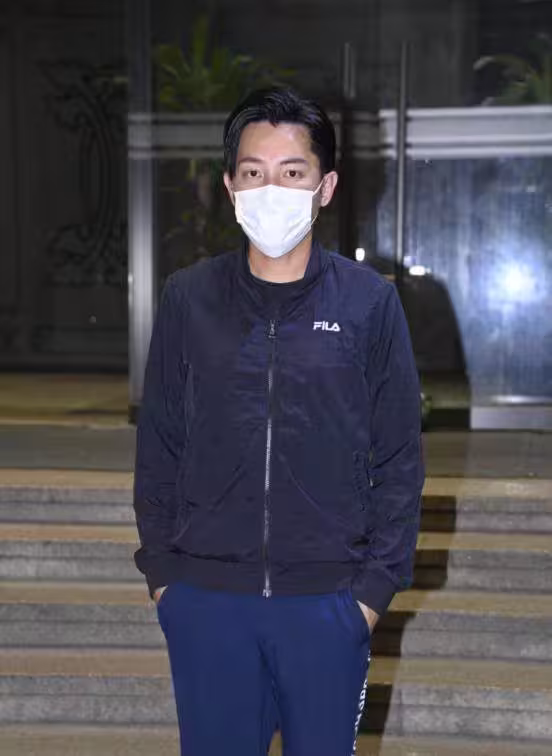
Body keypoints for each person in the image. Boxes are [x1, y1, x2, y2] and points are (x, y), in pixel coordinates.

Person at [133, 86, 424, 756]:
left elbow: (399, 458)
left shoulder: (368, 304)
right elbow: (160, 446)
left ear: (325, 187)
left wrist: (370, 594)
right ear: (230, 186)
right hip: (206, 601)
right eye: (253, 172)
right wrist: (166, 580)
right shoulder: (189, 299)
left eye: (292, 172)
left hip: (328, 602)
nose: (272, 189)